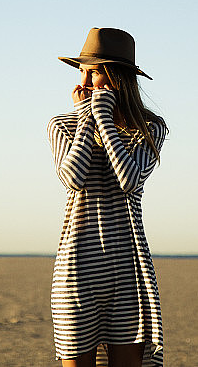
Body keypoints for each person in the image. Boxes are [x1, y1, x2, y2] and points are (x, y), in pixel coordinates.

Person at [47, 27, 168, 367]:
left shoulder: (149, 129)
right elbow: (73, 179)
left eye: (94, 72)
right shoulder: (62, 125)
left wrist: (104, 118)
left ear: (117, 78)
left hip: (128, 273)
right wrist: (88, 117)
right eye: (81, 72)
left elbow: (129, 180)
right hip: (76, 272)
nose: (84, 82)